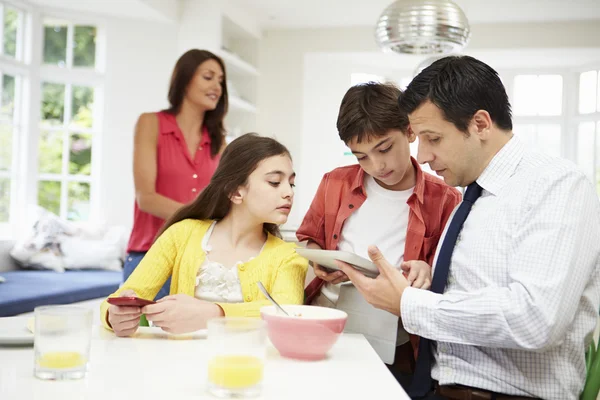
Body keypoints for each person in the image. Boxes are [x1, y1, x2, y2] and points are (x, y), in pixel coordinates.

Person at [337, 56, 600, 400]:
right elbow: (483, 286)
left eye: (432, 138)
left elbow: (537, 319)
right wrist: (427, 275)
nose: (424, 156)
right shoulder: (472, 198)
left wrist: (409, 303)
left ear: (479, 124)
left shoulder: (556, 184)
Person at [296, 82, 461, 387]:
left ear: (410, 131)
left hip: (395, 339)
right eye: (361, 157)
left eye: (384, 149)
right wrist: (317, 259)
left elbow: (452, 276)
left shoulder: (446, 199)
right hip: (327, 323)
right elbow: (308, 238)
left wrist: (427, 269)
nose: (377, 166)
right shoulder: (334, 182)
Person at [102, 133, 308, 337]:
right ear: (235, 192)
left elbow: (286, 312)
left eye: (291, 184)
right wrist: (114, 316)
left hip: (249, 367)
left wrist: (213, 314)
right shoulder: (182, 234)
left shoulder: (288, 256)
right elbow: (123, 296)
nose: (289, 192)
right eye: (274, 182)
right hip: (180, 364)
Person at [124, 49, 229, 300]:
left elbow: (220, 202)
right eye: (208, 77)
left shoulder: (219, 142)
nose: (217, 86)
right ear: (184, 80)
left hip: (198, 261)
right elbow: (146, 198)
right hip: (149, 255)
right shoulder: (151, 123)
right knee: (137, 337)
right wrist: (199, 221)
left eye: (221, 80)